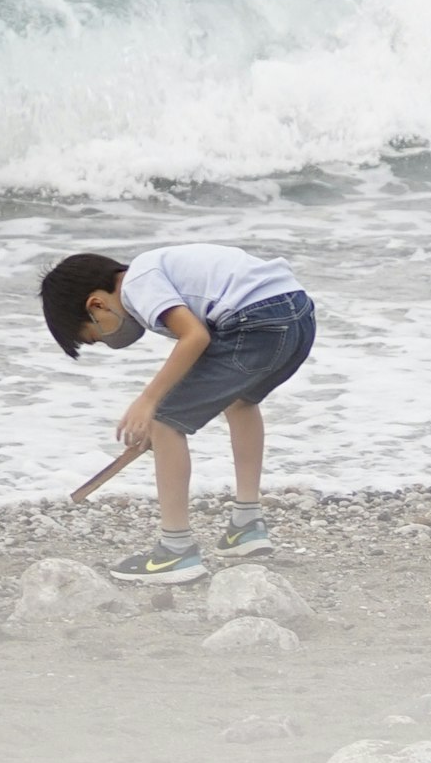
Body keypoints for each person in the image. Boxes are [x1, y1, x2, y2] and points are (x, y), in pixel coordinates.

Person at [39, 244, 316, 585]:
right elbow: (207, 345)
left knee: (165, 422)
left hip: (257, 319)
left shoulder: (137, 283)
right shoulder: (158, 271)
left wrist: (149, 402)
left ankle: (176, 549)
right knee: (240, 402)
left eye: (96, 334)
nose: (108, 340)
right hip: (297, 315)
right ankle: (246, 526)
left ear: (95, 304)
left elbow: (194, 337)